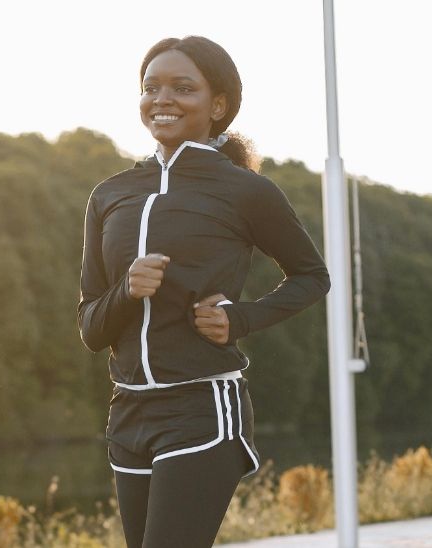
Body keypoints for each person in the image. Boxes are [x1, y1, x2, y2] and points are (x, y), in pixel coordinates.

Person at [77, 36, 331, 547]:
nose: (162, 99)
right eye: (151, 88)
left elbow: (311, 275)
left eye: (182, 88)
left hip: (202, 407)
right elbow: (90, 328)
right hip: (128, 410)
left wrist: (239, 320)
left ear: (218, 105)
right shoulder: (110, 195)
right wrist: (127, 289)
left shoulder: (245, 190)